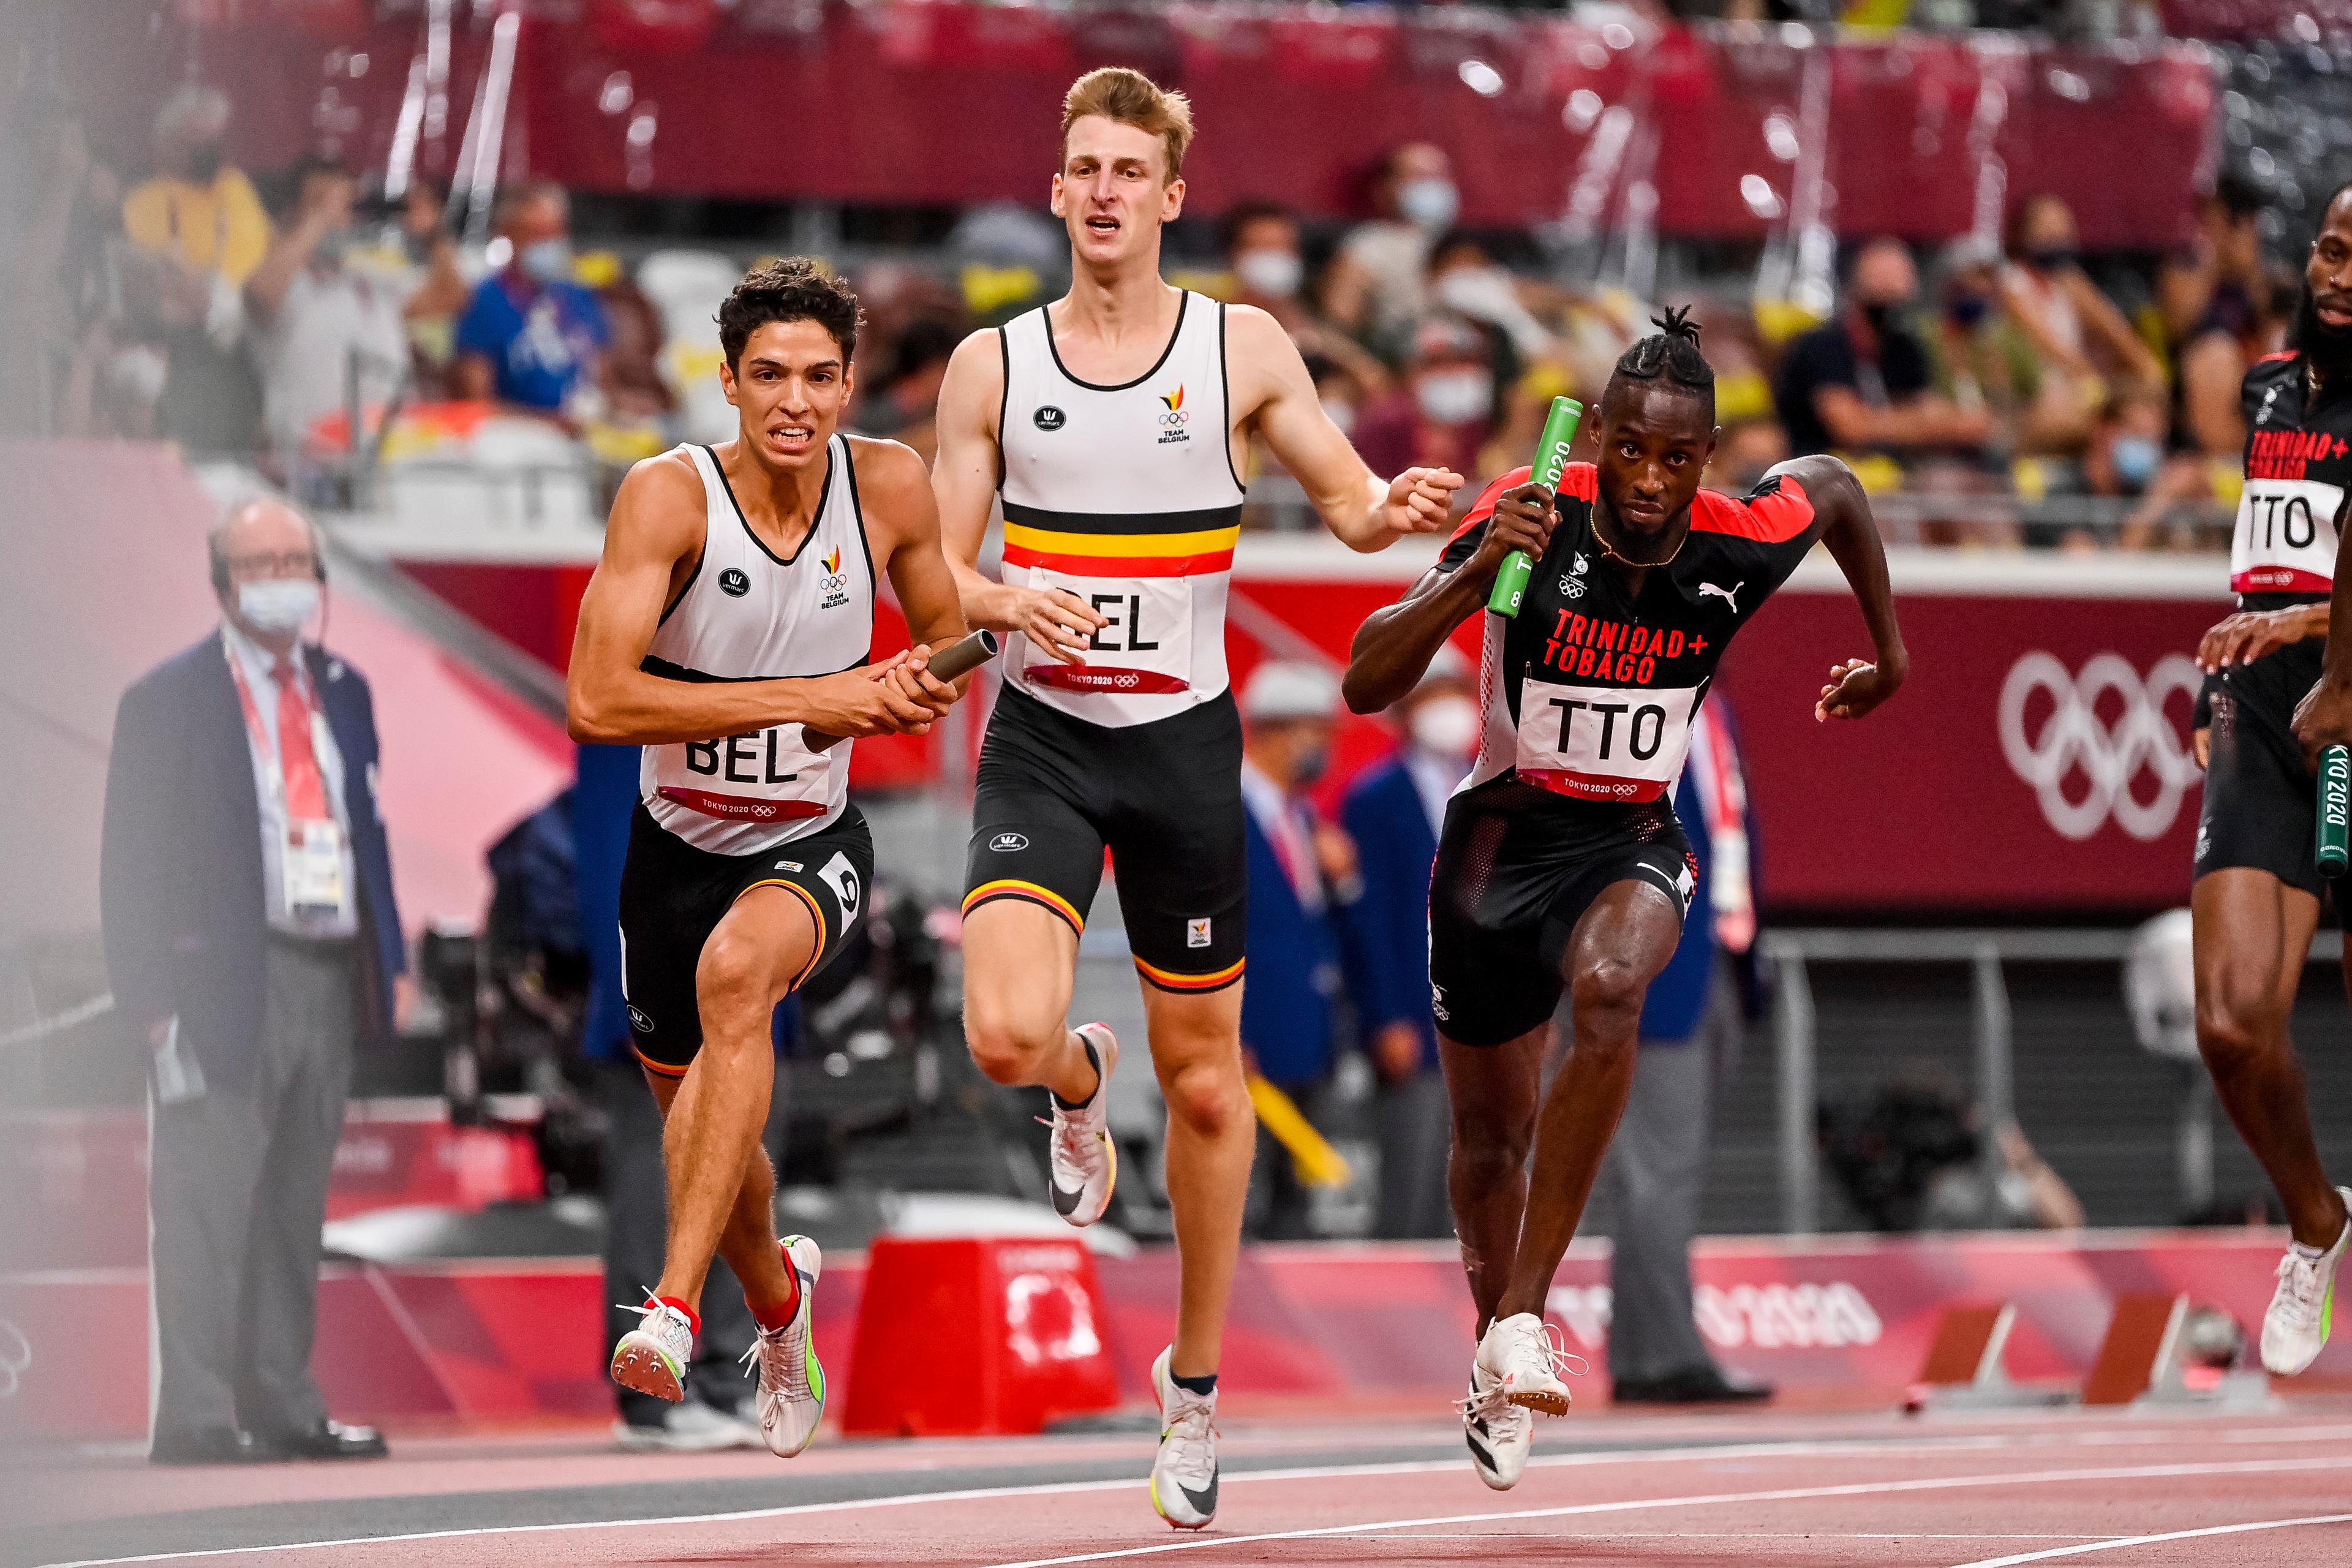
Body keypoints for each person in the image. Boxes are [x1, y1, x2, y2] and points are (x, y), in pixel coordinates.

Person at [929, 67, 1461, 1531]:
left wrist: (1395, 509)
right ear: (1056, 191)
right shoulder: (994, 366)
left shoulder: (1239, 347)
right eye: (1080, 167)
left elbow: (1351, 509)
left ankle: (1196, 1387)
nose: (1101, 191)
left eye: (1128, 171)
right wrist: (1006, 596)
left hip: (1180, 747)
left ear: (1169, 196)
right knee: (1004, 1029)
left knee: (1217, 1082)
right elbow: (935, 576)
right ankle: (1078, 1088)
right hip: (1043, 734)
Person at [1342, 307, 1905, 1489]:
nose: (1649, 481)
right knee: (1490, 1142)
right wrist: (1480, 571)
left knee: (1611, 988)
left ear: (1706, 455)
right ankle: (1497, 1342)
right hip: (1499, 846)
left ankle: (1531, 1316)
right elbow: (1365, 678)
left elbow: (1842, 486)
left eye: (1677, 456)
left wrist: (1889, 653)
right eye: (1632, 452)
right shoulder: (1532, 510)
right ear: (1595, 436)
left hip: (1629, 837)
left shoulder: (1741, 538)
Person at [563, 260, 971, 1459]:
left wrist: (914, 688)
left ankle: (677, 1309)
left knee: (740, 977)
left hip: (810, 840)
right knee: (706, 1135)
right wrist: (815, 696)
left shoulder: (890, 486)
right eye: (770, 376)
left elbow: (944, 646)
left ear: (851, 384)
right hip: (671, 848)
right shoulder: (668, 498)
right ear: (730, 383)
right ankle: (780, 1303)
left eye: (820, 376)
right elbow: (596, 697)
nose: (796, 400)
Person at [100, 496, 403, 1464]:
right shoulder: (168, 700)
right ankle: (193, 1414)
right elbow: (131, 862)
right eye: (262, 560)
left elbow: (368, 830)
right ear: (223, 581)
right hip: (222, 977)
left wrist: (384, 963)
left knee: (292, 1205)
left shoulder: (344, 688)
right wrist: (149, 1008)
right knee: (203, 1202)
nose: (285, 577)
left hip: (328, 972)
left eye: (298, 560)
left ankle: (282, 1401)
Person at [2201, 183, 2352, 1380]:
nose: (2343, 269)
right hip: (2260, 705)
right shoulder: (2267, 385)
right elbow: (2265, 553)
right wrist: (2241, 656)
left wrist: (2313, 627)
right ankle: (2315, 1218)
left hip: (2349, 690)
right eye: (2334, 246)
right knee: (2231, 1023)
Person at [1589, 700, 1771, 1405]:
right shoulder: (1634, 697)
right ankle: (1661, 1356)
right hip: (1654, 965)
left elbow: (1731, 831)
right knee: (1655, 1171)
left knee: (1669, 1169)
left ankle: (1647, 1351)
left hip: (1718, 960)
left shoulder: (1716, 709)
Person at [1342, 649, 1476, 1240]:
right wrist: (1388, 1015)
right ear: (1403, 707)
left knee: (1487, 1183)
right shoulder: (1374, 798)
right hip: (1415, 1025)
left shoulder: (1493, 785)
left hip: (1491, 1022)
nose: (1451, 708)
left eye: (1457, 691)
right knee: (1414, 1180)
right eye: (1434, 693)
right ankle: (1404, 1315)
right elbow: (1370, 920)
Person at [1235, 662, 1362, 1241]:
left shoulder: (1304, 817)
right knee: (1246, 1197)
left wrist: (1344, 880)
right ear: (1273, 732)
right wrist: (1227, 1035)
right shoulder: (1225, 815)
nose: (1325, 749)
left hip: (1307, 1040)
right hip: (1249, 1044)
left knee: (1295, 1206)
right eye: (1316, 732)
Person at [120, 83, 271, 453]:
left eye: (214, 139)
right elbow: (172, 284)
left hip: (254, 332)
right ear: (166, 145)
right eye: (196, 142)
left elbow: (265, 252)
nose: (209, 151)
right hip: (191, 344)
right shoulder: (147, 202)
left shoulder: (236, 187)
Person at [244, 156, 410, 466]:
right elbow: (261, 292)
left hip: (380, 459)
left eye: (346, 204)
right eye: (324, 203)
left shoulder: (368, 280)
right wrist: (318, 218)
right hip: (303, 463)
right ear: (292, 214)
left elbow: (452, 295)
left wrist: (432, 232)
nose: (340, 215)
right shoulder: (287, 285)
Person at [1774, 237, 1994, 464]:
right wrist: (1921, 424)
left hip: (1892, 474)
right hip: (1817, 470)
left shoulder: (1905, 349)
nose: (1892, 298)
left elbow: (1942, 415)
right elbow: (1850, 429)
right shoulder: (1823, 345)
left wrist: (1895, 423)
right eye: (1881, 286)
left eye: (1899, 289)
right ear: (1856, 288)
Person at [454, 181, 610, 419]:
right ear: (508, 235)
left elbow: (603, 379)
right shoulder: (483, 303)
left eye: (556, 231)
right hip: (519, 438)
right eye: (536, 233)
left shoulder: (578, 296)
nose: (549, 243)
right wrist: (550, 422)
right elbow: (477, 403)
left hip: (588, 432)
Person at [1322, 141, 1458, 350]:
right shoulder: (1367, 247)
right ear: (1384, 188)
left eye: (1439, 175)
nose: (1432, 184)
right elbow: (1338, 322)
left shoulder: (1460, 242)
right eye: (1419, 176)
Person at [1349, 314, 1498, 492]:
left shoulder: (1478, 424)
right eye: (1437, 363)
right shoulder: (1382, 425)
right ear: (1410, 371)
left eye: (1463, 361)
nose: (1452, 372)